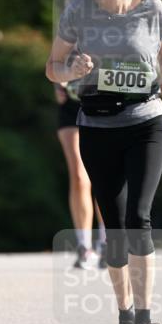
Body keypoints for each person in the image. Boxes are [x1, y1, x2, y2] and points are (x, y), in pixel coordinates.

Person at [46, 0, 162, 324]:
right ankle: (125, 321)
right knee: (117, 229)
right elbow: (52, 67)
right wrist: (72, 69)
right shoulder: (78, 10)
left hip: (146, 122)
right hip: (97, 126)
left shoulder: (151, 8)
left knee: (139, 218)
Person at [55, 78, 107, 268]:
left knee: (103, 176)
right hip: (72, 107)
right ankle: (84, 246)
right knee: (79, 176)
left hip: (105, 107)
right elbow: (55, 65)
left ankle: (106, 242)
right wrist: (58, 83)